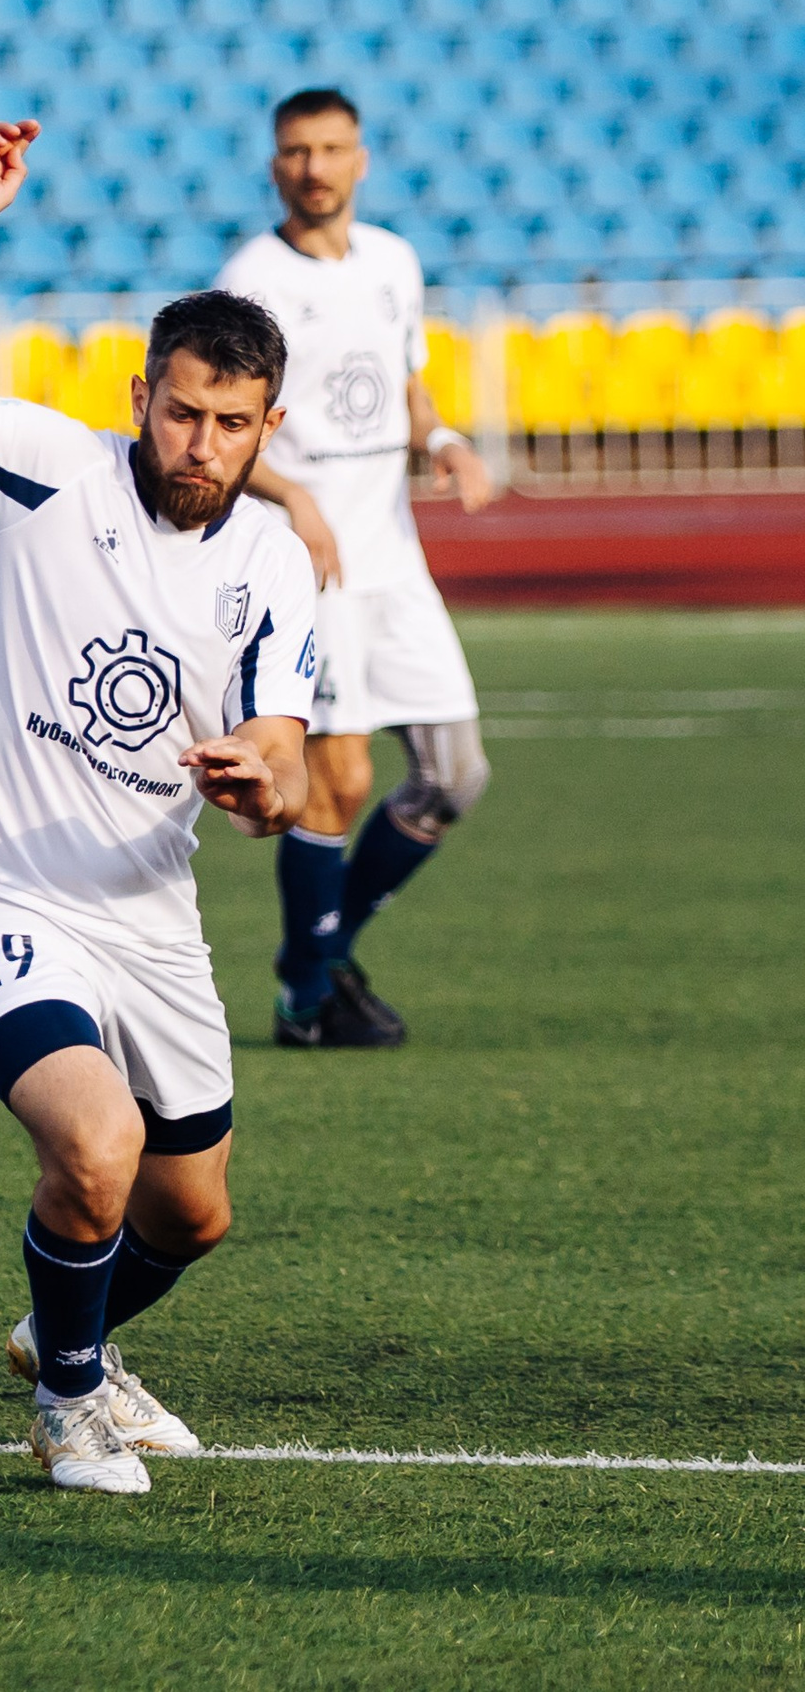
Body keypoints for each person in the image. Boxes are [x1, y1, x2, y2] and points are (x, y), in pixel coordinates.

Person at [0, 122, 318, 1494]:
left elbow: (287, 750)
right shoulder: (44, 467)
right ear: (141, 391)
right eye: (179, 410)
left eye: (230, 423)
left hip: (149, 915)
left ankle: (58, 1339)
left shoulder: (276, 561)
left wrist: (261, 783)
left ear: (267, 426)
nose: (198, 442)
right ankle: (73, 1401)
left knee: (191, 1209)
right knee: (95, 1143)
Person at [214, 87, 496, 1049]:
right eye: (297, 151)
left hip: (393, 556)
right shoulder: (252, 277)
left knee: (454, 774)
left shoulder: (393, 263)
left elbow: (406, 383)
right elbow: (224, 424)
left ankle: (317, 957)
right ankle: (308, 1000)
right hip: (309, 561)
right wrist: (293, 499)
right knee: (336, 778)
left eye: (332, 148)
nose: (315, 167)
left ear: (361, 157)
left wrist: (446, 438)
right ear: (274, 163)